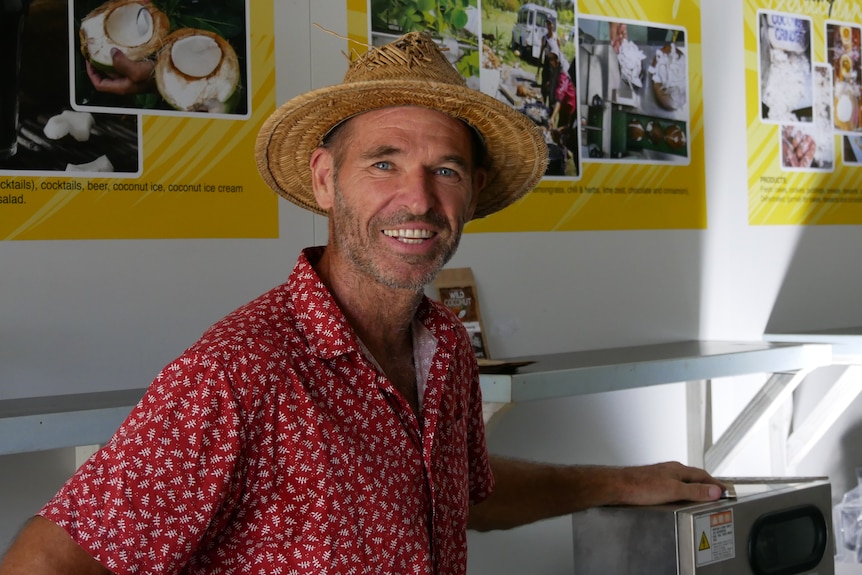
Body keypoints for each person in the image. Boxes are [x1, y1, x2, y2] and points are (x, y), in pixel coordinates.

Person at [0, 31, 724, 575]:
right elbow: (43, 562)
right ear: (324, 180)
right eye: (384, 163)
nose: (418, 198)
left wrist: (620, 479)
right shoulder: (238, 372)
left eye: (444, 168)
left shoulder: (442, 349)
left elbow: (462, 491)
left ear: (470, 191)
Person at [538, 18, 560, 107]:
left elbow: (559, 56)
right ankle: (542, 110)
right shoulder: (544, 38)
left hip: (553, 67)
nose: (549, 26)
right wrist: (538, 70)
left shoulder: (556, 39)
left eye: (550, 24)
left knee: (551, 91)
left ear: (553, 25)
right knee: (543, 90)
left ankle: (550, 113)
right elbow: (541, 54)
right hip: (546, 65)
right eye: (547, 24)